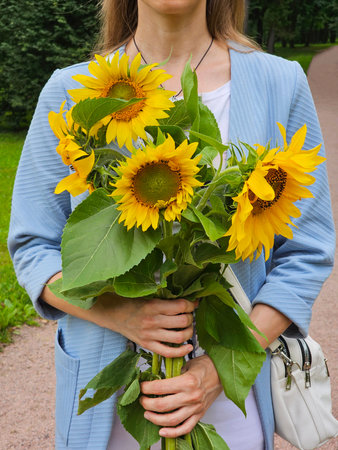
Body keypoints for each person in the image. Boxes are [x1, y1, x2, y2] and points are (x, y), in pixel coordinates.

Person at [8, 1, 335, 449]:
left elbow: (307, 251)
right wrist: (120, 313)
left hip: (229, 411)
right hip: (108, 413)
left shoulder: (280, 83)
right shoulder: (70, 92)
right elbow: (33, 247)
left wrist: (218, 370)